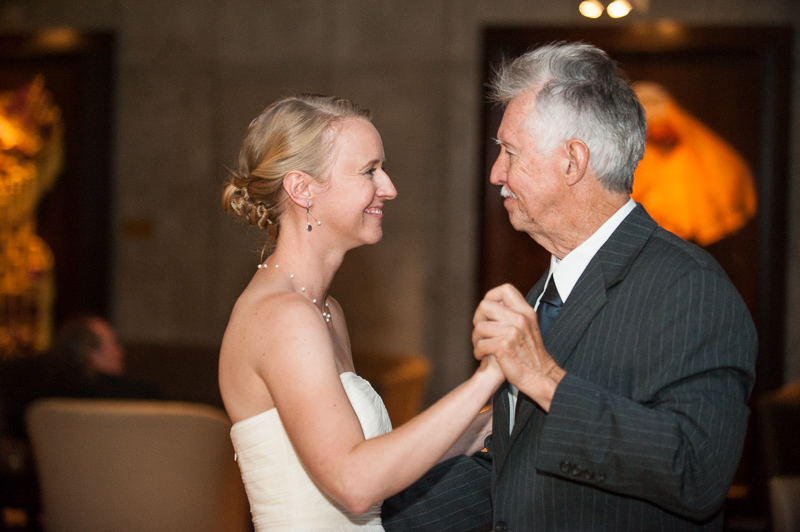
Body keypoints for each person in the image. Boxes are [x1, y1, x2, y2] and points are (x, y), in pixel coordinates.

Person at [382, 42, 757, 531]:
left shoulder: (690, 288)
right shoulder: (548, 288)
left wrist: (544, 378)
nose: (496, 173)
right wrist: (366, 525)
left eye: (509, 152)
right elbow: (512, 473)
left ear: (573, 162)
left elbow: (696, 472)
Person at [217, 94, 503, 531]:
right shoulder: (284, 317)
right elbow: (354, 483)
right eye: (369, 170)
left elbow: (378, 464)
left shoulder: (324, 309)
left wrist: (493, 420)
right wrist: (488, 375)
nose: (388, 187)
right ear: (302, 188)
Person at [48, 314, 164, 400]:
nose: (120, 351)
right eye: (114, 344)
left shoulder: (44, 396)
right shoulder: (140, 395)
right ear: (91, 354)